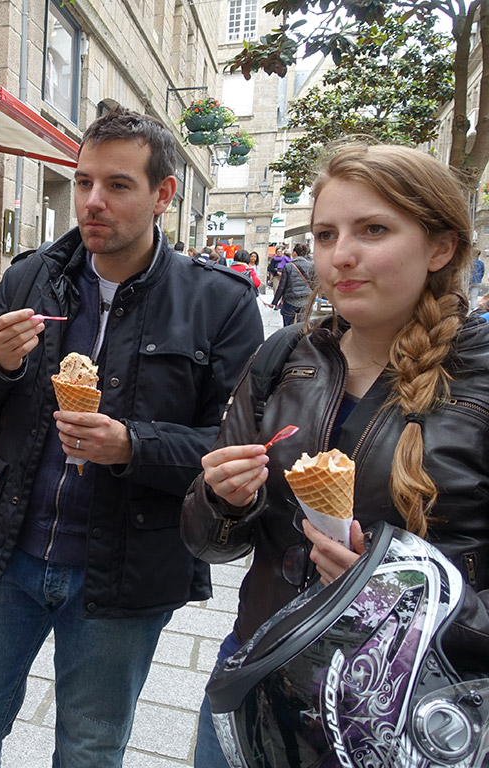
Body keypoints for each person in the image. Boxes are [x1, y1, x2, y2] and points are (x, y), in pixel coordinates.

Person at [0, 105, 264, 767]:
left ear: (163, 194)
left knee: (90, 746)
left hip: (124, 575)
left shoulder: (219, 303)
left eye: (117, 185)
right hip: (6, 553)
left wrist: (132, 445)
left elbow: (235, 450)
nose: (91, 201)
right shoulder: (32, 277)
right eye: (84, 182)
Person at [182, 144, 488, 767]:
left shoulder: (479, 378)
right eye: (326, 234)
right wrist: (220, 499)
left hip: (408, 712)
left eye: (373, 229)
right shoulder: (285, 356)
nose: (339, 255)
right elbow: (208, 543)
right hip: (261, 673)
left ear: (440, 247)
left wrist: (394, 595)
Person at [271, 241, 314, 325]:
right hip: (306, 300)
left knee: (288, 327)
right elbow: (314, 283)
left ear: (294, 253)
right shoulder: (311, 266)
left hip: (290, 300)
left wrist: (274, 302)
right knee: (302, 326)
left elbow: (282, 286)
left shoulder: (289, 266)